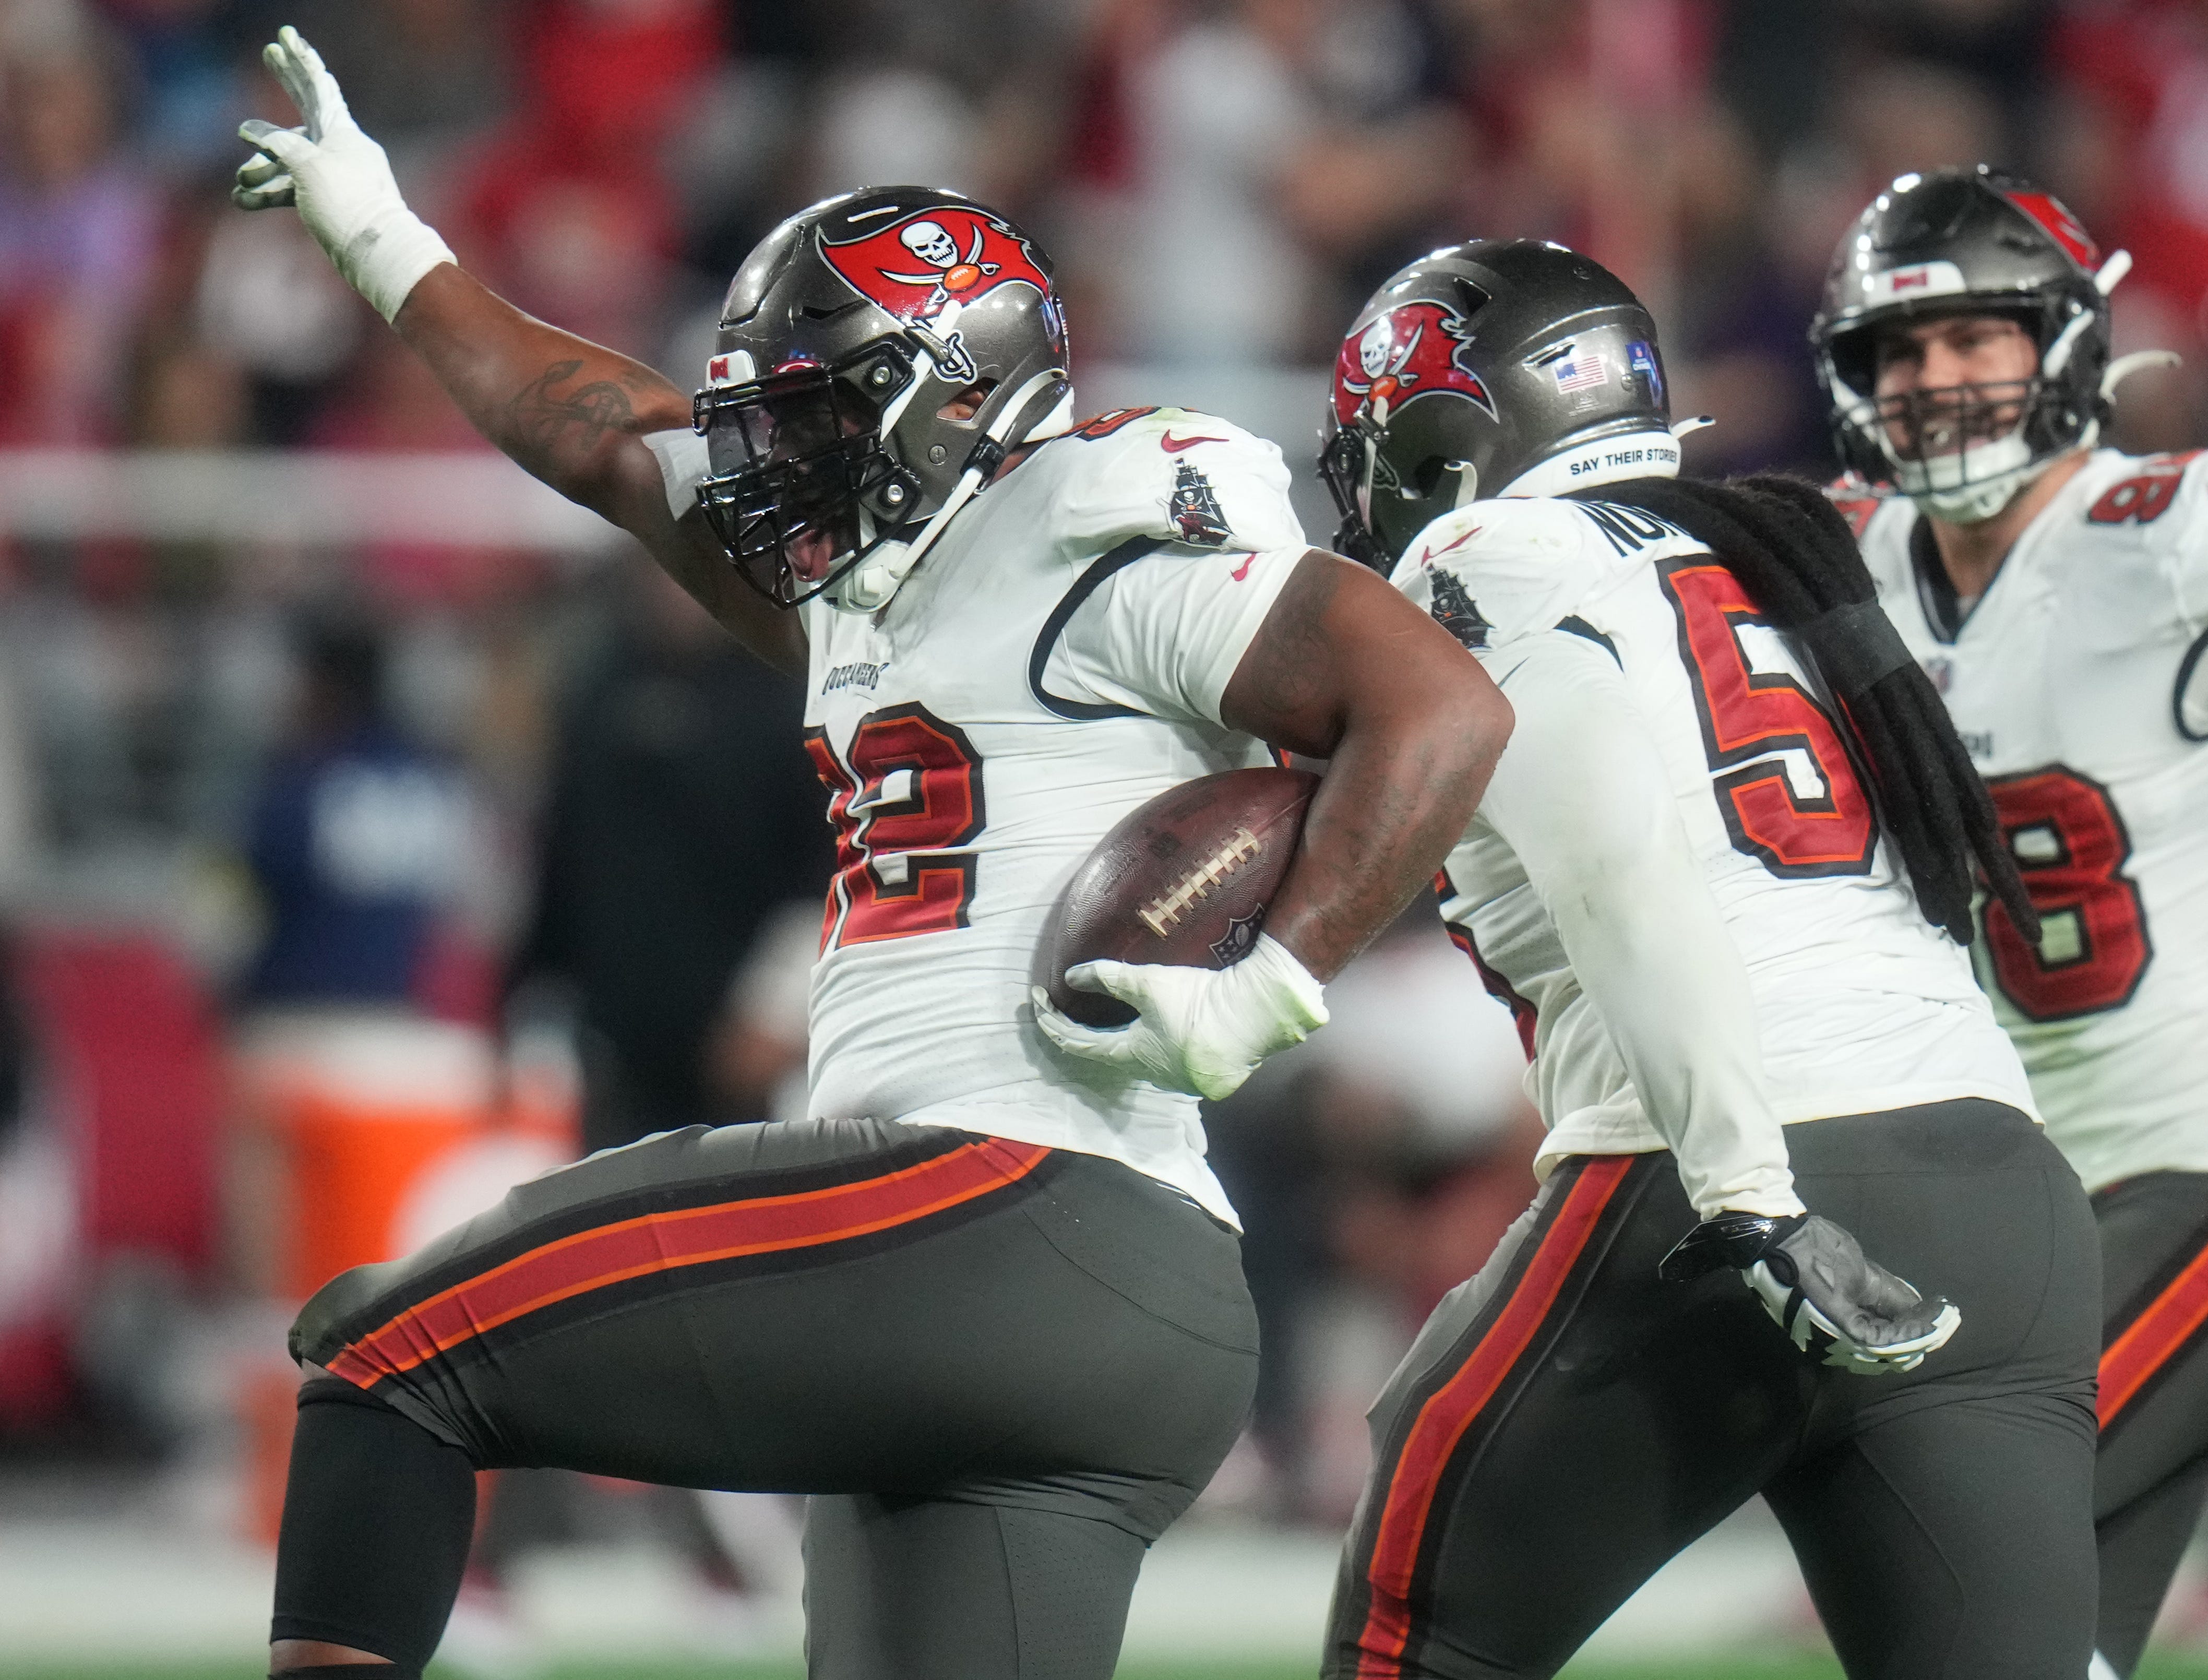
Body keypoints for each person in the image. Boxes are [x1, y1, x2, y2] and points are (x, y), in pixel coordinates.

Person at [229, 27, 1509, 1680]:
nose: (775, 454)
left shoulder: (1098, 541)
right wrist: (388, 243)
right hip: (1079, 1303)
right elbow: (607, 434)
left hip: (1007, 1202)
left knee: (390, 1358)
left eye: (819, 412)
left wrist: (1275, 978)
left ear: (963, 391)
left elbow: (1440, 709)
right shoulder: (869, 588)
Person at [1313, 240, 2100, 1679]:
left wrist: (1748, 1193)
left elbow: (1627, 856)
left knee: (1410, 1637)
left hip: (1733, 1175)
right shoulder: (1779, 551)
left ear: (1442, 439)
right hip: (1997, 1179)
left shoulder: (1481, 555)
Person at [1812, 164, 2208, 1680]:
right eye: (1900, 352)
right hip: (2034, 1186)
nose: (1935, 381)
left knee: (1955, 1521)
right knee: (2028, 1641)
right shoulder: (1842, 567)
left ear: (2064, 342)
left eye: (1975, 340)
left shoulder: (2182, 528)